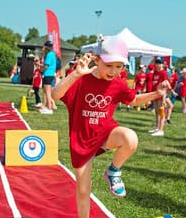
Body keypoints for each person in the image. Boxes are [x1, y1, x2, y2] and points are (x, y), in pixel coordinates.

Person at [51, 36, 170, 218]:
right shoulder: (81, 79)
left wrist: (157, 93)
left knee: (130, 138)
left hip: (105, 134)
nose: (114, 71)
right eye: (109, 65)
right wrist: (75, 74)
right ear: (97, 60)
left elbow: (134, 100)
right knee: (83, 190)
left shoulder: (117, 83)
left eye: (119, 66)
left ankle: (113, 171)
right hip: (82, 141)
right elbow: (55, 95)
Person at [149, 57, 169, 136]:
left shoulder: (163, 73)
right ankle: (157, 127)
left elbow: (165, 87)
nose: (158, 64)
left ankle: (161, 130)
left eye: (159, 63)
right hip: (156, 94)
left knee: (161, 112)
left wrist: (164, 99)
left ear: (162, 64)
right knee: (157, 112)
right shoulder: (155, 73)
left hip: (161, 95)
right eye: (157, 63)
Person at [39, 40, 57, 115]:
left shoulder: (49, 54)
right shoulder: (52, 54)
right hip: (51, 74)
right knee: (47, 92)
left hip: (48, 74)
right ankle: (48, 107)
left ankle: (49, 108)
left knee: (47, 92)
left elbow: (46, 66)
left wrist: (40, 67)